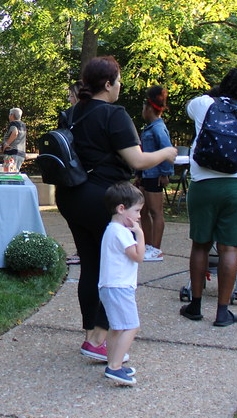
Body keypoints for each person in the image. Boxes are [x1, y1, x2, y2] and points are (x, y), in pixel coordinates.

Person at [54, 57, 176, 363]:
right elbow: (137, 160)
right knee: (116, 270)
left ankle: (91, 337)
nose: (120, 86)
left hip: (72, 196)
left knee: (91, 265)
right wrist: (167, 152)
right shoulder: (114, 114)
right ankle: (99, 339)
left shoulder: (72, 113)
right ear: (108, 84)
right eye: (118, 81)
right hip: (105, 200)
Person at [180, 68, 237, 327]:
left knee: (200, 245)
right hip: (236, 186)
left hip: (203, 185)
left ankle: (195, 305)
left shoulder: (203, 103)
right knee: (229, 247)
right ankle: (222, 312)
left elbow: (187, 107)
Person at [99, 181, 146, 386]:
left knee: (117, 328)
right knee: (131, 326)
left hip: (110, 286)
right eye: (136, 211)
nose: (139, 216)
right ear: (121, 209)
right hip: (119, 287)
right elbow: (138, 256)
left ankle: (113, 362)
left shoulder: (111, 229)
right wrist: (140, 234)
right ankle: (115, 366)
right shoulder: (122, 232)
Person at [137, 86, 173, 262]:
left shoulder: (158, 128)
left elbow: (167, 150)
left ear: (150, 109)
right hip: (146, 174)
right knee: (143, 211)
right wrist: (138, 174)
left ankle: (156, 249)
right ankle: (147, 245)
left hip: (155, 175)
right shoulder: (149, 128)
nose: (142, 111)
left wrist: (165, 173)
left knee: (155, 212)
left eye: (144, 107)